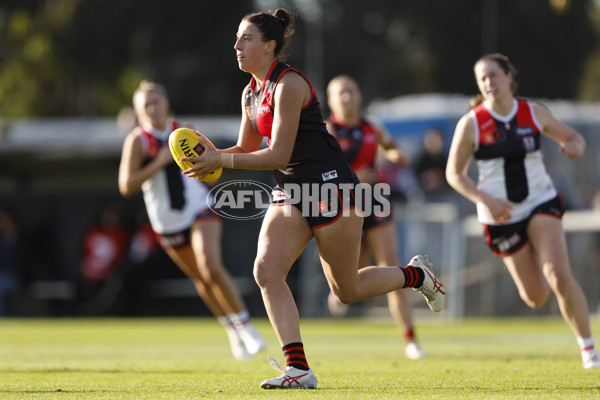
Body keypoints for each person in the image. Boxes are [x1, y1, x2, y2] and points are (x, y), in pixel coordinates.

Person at [180, 8, 446, 389]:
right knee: (266, 272)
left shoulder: (289, 85)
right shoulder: (250, 93)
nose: (237, 45)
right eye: (237, 38)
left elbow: (278, 155)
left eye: (246, 39)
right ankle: (298, 369)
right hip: (290, 191)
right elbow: (247, 147)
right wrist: (212, 156)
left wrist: (221, 158)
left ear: (270, 46)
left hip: (330, 187)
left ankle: (417, 275)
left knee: (346, 290)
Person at [445, 53, 599, 369]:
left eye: (494, 75)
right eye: (482, 79)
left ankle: (589, 351)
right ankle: (531, 258)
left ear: (509, 77)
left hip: (540, 202)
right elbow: (454, 174)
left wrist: (574, 147)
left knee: (558, 274)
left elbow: (574, 138)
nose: (489, 83)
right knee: (536, 297)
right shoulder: (472, 123)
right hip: (500, 216)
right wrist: (483, 199)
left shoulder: (533, 112)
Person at [118, 80, 265, 361]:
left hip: (199, 206)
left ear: (166, 103)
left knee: (210, 266)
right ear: (138, 111)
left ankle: (246, 325)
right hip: (167, 220)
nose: (152, 108)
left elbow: (209, 164)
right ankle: (232, 330)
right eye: (145, 104)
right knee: (200, 278)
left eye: (156, 101)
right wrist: (159, 162)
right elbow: (126, 185)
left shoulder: (183, 132)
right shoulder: (137, 140)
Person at [324, 74, 427, 360]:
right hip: (343, 207)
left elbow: (390, 145)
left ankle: (411, 340)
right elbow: (321, 174)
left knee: (392, 268)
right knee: (355, 271)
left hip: (375, 201)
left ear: (359, 96)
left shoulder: (372, 127)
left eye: (352, 91)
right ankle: (341, 290)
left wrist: (396, 155)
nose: (348, 97)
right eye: (341, 93)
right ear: (331, 101)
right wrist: (354, 177)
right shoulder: (326, 131)